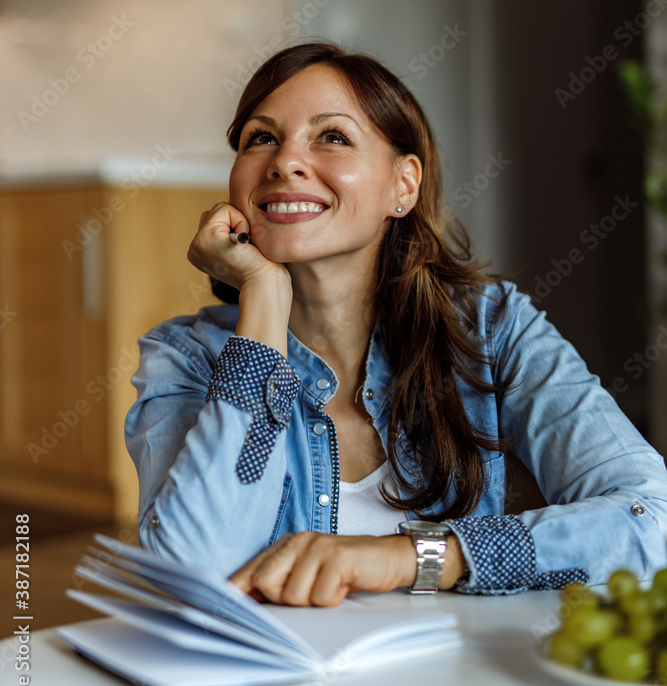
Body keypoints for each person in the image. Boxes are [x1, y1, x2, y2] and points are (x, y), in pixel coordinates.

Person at [125, 41, 667, 606]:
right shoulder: (185, 357)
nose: (284, 161)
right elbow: (190, 575)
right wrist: (263, 295)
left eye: (332, 136)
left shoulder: (490, 328)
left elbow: (650, 516)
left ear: (403, 186)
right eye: (261, 138)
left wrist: (412, 556)